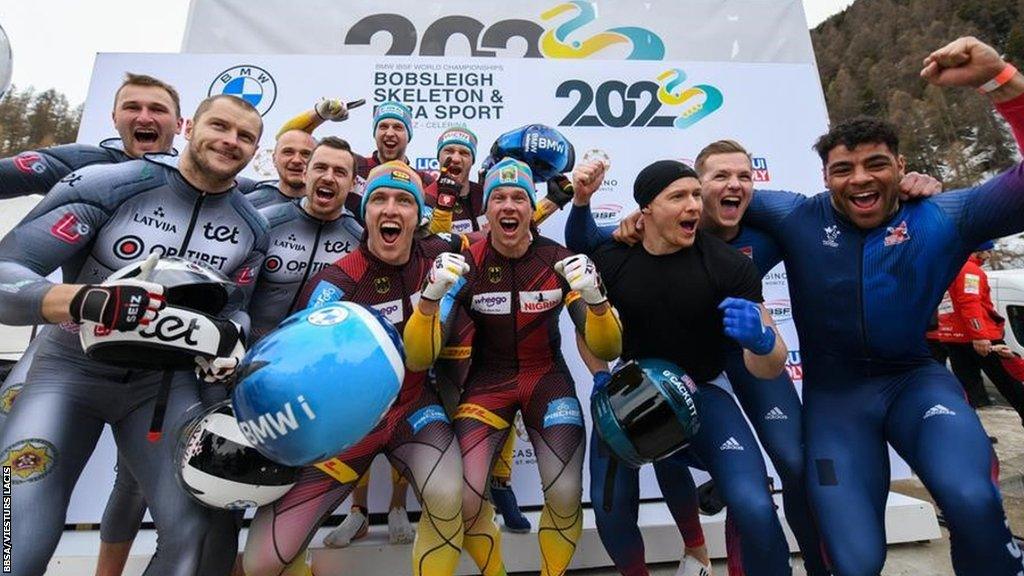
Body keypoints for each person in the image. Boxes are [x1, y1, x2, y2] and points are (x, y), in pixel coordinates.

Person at [732, 36, 1024, 575]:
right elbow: (703, 196)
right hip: (836, 401)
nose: (861, 178)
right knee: (855, 560)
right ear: (825, 177)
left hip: (916, 383)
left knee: (973, 500)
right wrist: (631, 223)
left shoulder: (943, 215)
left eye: (876, 164)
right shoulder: (797, 216)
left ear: (901, 166)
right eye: (843, 169)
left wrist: (1001, 81)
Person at [0, 93, 267, 576]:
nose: (230, 142)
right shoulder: (109, 184)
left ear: (254, 150)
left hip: (163, 389)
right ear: (189, 126)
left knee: (190, 534)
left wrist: (231, 338)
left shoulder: (251, 226)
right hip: (68, 373)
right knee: (17, 540)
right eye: (220, 127)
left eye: (245, 136)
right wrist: (85, 299)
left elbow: (236, 309)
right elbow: (8, 271)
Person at [564, 158, 792, 576]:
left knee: (755, 504)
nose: (694, 206)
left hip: (702, 391)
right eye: (678, 197)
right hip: (629, 393)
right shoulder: (612, 258)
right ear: (646, 210)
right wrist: (599, 374)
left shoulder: (729, 265)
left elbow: (771, 364)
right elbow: (585, 327)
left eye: (694, 195)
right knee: (611, 510)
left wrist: (761, 342)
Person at [403, 157, 624, 576]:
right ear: (485, 210)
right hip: (488, 383)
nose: (508, 206)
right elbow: (420, 356)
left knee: (565, 491)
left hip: (548, 381)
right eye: (498, 197)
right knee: (464, 501)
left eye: (518, 198)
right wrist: (431, 301)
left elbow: (607, 346)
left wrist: (596, 303)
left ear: (530, 207)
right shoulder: (464, 260)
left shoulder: (559, 260)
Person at [242, 161, 464, 576]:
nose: (391, 209)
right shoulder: (337, 280)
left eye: (404, 201)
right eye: (379, 199)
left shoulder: (441, 260)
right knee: (262, 561)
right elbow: (300, 365)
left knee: (452, 496)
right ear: (365, 213)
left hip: (415, 409)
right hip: (345, 424)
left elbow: (424, 356)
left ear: (419, 216)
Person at [249, 136, 362, 340]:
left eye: (339, 172)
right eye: (320, 167)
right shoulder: (265, 222)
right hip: (251, 352)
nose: (328, 177)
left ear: (353, 183)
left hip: (313, 358)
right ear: (304, 173)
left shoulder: (359, 241)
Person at [929, 240, 1024, 424]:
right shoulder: (970, 271)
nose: (989, 256)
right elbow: (969, 303)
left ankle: (974, 433)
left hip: (953, 338)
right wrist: (980, 336)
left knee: (968, 391)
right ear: (978, 251)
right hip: (982, 339)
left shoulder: (948, 269)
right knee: (1012, 386)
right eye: (988, 251)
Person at [245, 129, 316, 209]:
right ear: (274, 159)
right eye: (288, 152)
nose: (297, 160)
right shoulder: (247, 204)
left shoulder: (330, 210)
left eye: (306, 154)